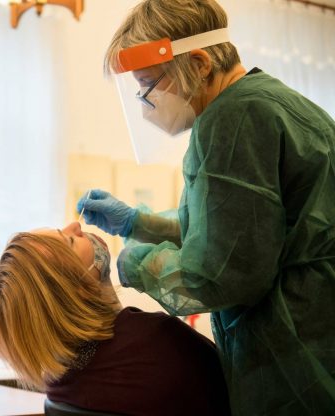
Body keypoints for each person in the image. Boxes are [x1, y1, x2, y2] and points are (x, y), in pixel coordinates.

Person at [76, 0, 335, 414]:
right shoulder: (273, 104)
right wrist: (136, 223)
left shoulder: (233, 118)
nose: (145, 102)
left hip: (297, 360)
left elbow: (220, 274)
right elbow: (235, 228)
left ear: (198, 63)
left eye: (149, 85)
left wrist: (138, 264)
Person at [0, 221, 231, 416]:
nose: (75, 225)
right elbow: (234, 388)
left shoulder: (58, 378)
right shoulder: (161, 341)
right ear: (79, 288)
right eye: (70, 241)